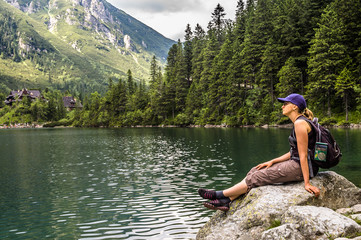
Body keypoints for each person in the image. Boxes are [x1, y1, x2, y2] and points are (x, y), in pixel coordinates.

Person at [198, 93, 321, 211]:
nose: (282, 106)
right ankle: (227, 200)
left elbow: (303, 156)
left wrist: (307, 183)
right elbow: (296, 152)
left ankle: (218, 195)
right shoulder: (300, 122)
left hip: (300, 168)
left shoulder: (300, 123)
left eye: (285, 103)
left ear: (295, 106)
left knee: (256, 177)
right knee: (255, 170)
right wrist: (272, 161)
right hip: (297, 164)